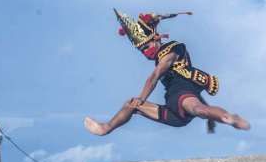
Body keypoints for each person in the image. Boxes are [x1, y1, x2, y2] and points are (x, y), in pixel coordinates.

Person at [83, 9, 250, 136]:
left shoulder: (173, 48)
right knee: (130, 105)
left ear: (155, 38)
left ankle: (230, 118)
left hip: (182, 94)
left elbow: (155, 76)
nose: (145, 52)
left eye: (146, 46)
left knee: (199, 110)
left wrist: (142, 99)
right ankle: (105, 128)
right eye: (142, 50)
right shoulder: (160, 58)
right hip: (173, 111)